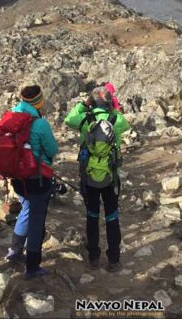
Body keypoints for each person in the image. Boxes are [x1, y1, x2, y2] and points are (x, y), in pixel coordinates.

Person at [64, 87, 131, 272]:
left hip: (89, 174)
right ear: (109, 102)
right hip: (110, 176)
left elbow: (68, 119)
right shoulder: (116, 119)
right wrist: (113, 109)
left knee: (92, 216)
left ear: (91, 102)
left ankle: (93, 257)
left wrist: (83, 105)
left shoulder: (85, 119)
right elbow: (126, 126)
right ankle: (114, 260)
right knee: (112, 216)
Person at [8, 85, 59, 279]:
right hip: (37, 178)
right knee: (37, 221)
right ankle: (32, 266)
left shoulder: (11, 117)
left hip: (17, 177)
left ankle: (14, 251)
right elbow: (52, 149)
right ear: (38, 101)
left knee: (26, 209)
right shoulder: (40, 124)